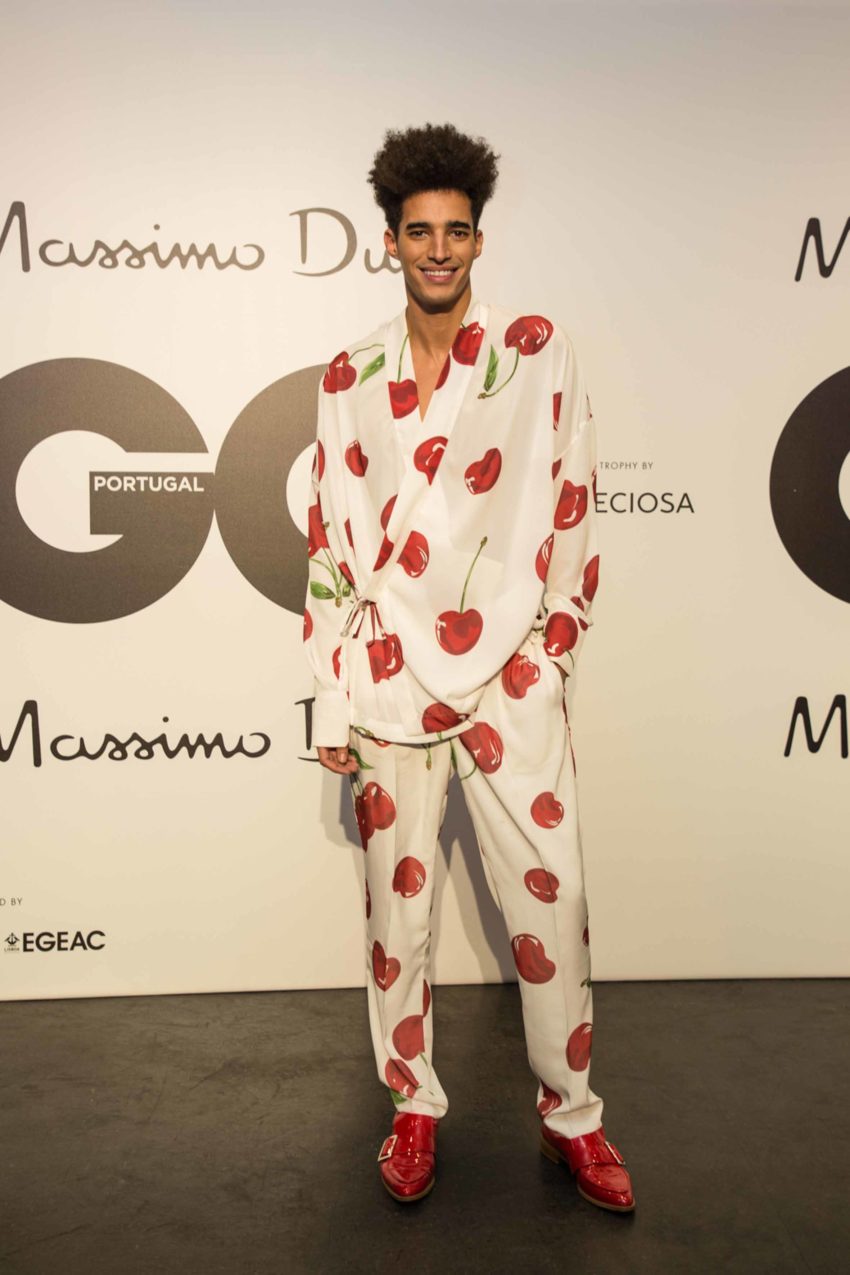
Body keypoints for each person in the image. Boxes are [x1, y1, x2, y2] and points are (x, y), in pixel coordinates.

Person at [302, 122, 634, 1213]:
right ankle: (412, 1107)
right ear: (389, 242)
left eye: (455, 232)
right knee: (396, 922)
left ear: (479, 241)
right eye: (418, 232)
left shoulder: (538, 350)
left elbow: (574, 495)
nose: (436, 250)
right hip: (389, 678)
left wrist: (552, 648)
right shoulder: (348, 374)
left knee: (555, 901)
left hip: (509, 679)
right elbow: (333, 538)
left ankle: (572, 1115)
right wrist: (336, 698)